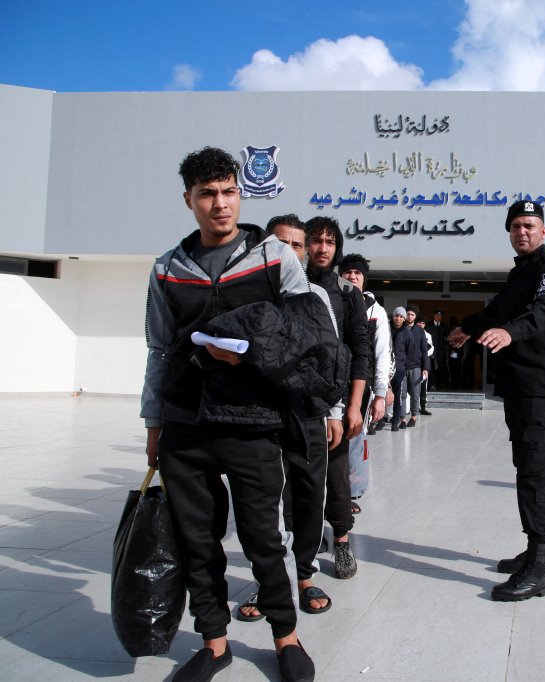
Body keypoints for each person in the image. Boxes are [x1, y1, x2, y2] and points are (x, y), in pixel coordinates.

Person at [141, 147, 316, 681]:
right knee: (197, 541)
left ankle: (286, 637)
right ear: (189, 200)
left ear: (240, 194)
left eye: (229, 192)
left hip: (252, 421)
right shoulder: (168, 268)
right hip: (185, 422)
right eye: (208, 194)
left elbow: (305, 332)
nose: (221, 204)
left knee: (263, 539)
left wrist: (250, 351)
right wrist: (153, 423)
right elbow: (158, 349)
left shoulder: (273, 257)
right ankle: (215, 643)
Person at [448, 200, 545, 601]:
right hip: (520, 385)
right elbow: (496, 312)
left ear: (544, 231)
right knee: (527, 466)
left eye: (530, 225)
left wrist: (510, 333)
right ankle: (540, 552)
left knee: (536, 470)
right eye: (516, 226)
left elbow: (544, 311)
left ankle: (539, 569)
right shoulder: (520, 274)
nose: (523, 231)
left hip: (542, 385)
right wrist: (467, 328)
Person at [236, 214, 343, 622]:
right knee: (263, 500)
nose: (289, 252)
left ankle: (304, 574)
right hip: (258, 411)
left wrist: (334, 413)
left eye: (297, 245)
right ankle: (268, 580)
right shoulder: (248, 293)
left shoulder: (316, 296)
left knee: (309, 494)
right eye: (280, 244)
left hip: (306, 411)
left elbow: (331, 357)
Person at [304, 215, 370, 579]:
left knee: (337, 478)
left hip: (339, 403)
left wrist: (355, 405)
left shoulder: (348, 293)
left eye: (330, 242)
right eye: (316, 240)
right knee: (297, 481)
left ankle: (341, 540)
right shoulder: (291, 287)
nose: (322, 248)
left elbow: (361, 351)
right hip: (299, 403)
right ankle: (305, 542)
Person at [338, 253, 394, 513]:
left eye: (357, 273)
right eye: (347, 272)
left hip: (362, 386)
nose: (352, 276)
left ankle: (350, 494)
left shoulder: (376, 311)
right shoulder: (330, 301)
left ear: (363, 278)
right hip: (330, 383)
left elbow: (383, 353)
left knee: (353, 440)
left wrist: (381, 393)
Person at [401, 304, 430, 427]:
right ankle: (402, 419)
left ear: (415, 316)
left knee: (415, 394)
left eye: (412, 314)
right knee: (402, 394)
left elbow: (424, 350)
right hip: (401, 366)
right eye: (408, 314)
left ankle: (413, 417)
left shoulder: (420, 331)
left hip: (416, 366)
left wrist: (425, 368)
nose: (409, 316)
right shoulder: (400, 328)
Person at [426, 309, 449, 390]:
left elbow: (447, 338)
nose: (439, 317)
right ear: (434, 316)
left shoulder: (444, 326)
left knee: (440, 368)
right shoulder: (428, 325)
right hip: (431, 350)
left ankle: (440, 384)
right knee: (432, 367)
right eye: (437, 315)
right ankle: (432, 384)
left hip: (441, 351)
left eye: (440, 316)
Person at [416, 318, 434, 414]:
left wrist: (424, 354)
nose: (421, 324)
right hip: (414, 362)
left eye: (423, 323)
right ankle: (413, 407)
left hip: (424, 362)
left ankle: (423, 407)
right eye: (419, 322)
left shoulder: (428, 335)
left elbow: (431, 348)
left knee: (424, 386)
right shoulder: (411, 332)